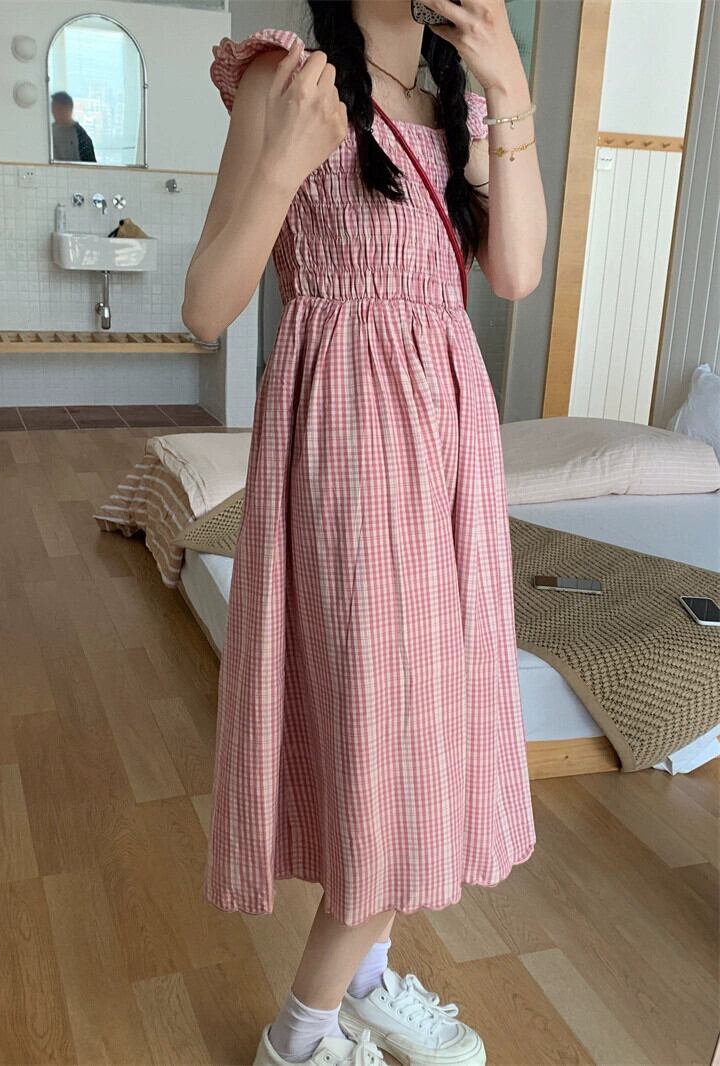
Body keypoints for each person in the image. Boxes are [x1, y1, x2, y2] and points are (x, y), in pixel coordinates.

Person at [183, 1, 546, 1063]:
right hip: (347, 433)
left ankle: (368, 978)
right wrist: (284, 163)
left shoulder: (459, 98)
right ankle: (298, 1038)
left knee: (417, 722)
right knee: (392, 736)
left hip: (450, 435)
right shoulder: (285, 78)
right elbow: (206, 307)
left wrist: (508, 86)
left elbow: (515, 272)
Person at [50, 91, 97, 163]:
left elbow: (89, 165)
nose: (55, 113)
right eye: (53, 109)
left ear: (69, 108)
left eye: (59, 109)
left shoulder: (81, 136)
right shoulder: (48, 132)